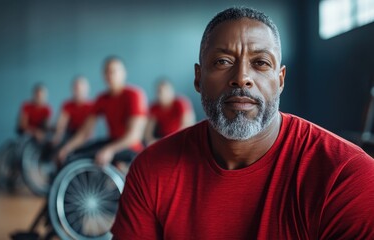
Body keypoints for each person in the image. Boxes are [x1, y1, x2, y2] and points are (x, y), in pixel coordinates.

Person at [111, 7, 374, 239]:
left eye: (260, 63)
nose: (242, 78)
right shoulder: (151, 169)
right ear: (198, 78)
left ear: (280, 80)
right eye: (223, 61)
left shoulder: (346, 175)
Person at [58, 57, 147, 173]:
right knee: (72, 156)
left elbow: (134, 136)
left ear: (124, 73)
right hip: (112, 141)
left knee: (86, 158)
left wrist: (110, 150)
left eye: (114, 71)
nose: (110, 75)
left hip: (130, 147)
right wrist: (67, 148)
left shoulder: (134, 95)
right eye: (106, 72)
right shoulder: (102, 98)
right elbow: (85, 132)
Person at [144, 80, 195, 145]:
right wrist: (150, 140)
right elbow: (148, 130)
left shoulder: (181, 103)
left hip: (181, 137)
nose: (162, 94)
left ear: (171, 91)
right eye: (159, 91)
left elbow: (187, 125)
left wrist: (172, 141)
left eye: (165, 91)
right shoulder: (154, 107)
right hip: (164, 138)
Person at [52, 76, 93, 146]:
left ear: (87, 89)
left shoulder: (91, 106)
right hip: (69, 134)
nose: (79, 91)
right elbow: (61, 123)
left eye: (81, 88)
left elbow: (87, 131)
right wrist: (57, 136)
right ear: (72, 89)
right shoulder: (67, 105)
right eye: (76, 88)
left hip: (85, 138)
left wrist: (67, 148)